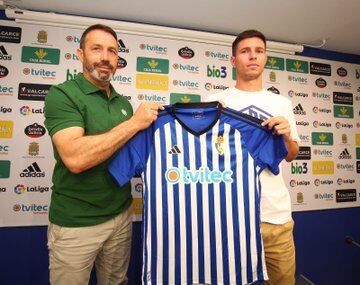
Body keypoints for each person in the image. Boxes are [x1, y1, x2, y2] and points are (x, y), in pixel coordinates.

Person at [44, 24, 163, 285]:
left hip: (120, 216)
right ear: (80, 54)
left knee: (117, 282)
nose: (106, 57)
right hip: (76, 223)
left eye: (112, 51)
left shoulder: (122, 103)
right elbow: (75, 159)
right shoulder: (62, 95)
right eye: (96, 49)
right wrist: (134, 123)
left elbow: (133, 156)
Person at [206, 30, 299, 285]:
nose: (252, 56)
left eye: (258, 51)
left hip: (275, 217)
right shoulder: (214, 101)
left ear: (266, 57)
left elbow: (291, 155)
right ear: (234, 60)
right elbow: (205, 156)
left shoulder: (282, 103)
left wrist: (287, 136)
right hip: (229, 215)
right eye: (245, 51)